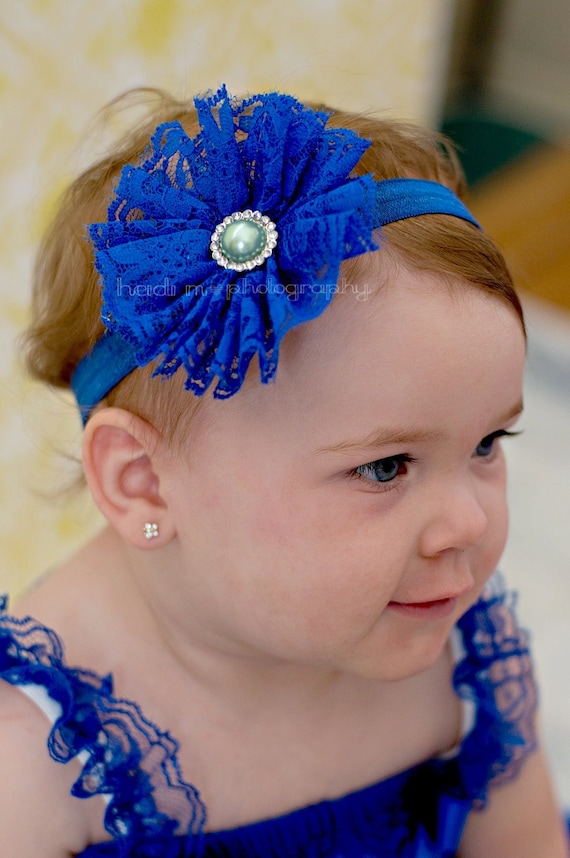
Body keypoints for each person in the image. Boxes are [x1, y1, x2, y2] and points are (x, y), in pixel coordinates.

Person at [0, 84, 567, 857]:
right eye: (386, 467)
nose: (469, 523)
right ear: (143, 482)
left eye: (487, 445)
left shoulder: (454, 657)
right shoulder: (37, 759)